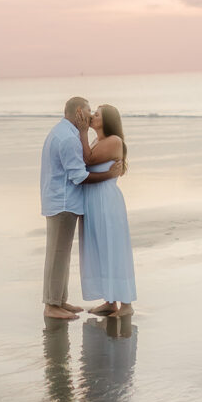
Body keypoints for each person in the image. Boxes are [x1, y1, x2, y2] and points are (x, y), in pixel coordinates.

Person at [41, 97, 124, 320]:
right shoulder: (68, 137)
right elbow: (79, 176)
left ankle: (59, 300)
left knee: (61, 254)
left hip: (63, 200)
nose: (90, 115)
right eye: (89, 111)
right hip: (64, 202)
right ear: (79, 111)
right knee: (57, 255)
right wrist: (109, 174)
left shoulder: (64, 132)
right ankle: (51, 305)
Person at [78, 104, 137, 317]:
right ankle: (110, 301)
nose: (92, 116)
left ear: (108, 120)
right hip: (92, 201)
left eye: (97, 115)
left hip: (106, 201)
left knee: (114, 248)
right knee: (100, 248)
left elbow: (88, 160)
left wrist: (82, 130)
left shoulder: (114, 141)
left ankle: (126, 304)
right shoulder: (96, 141)